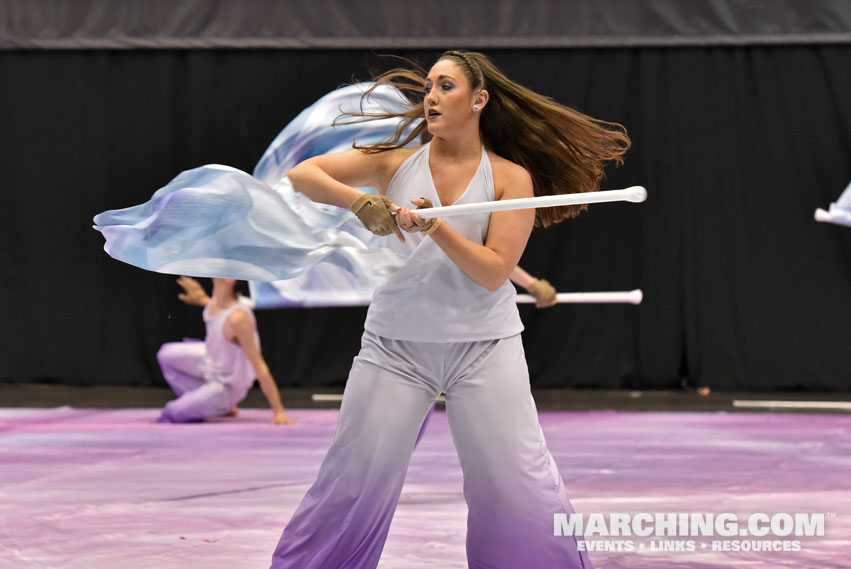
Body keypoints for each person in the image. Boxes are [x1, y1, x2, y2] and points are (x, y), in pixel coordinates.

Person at [268, 50, 629, 569]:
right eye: (429, 88)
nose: (431, 97)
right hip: (395, 346)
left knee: (516, 484)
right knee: (352, 479)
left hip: (485, 347)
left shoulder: (511, 179)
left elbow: (492, 273)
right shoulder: (393, 162)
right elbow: (303, 175)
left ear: (479, 100)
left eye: (445, 87)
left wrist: (436, 227)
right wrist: (359, 201)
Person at [156, 276, 294, 425]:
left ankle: (221, 404)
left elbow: (259, 365)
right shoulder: (217, 301)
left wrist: (278, 411)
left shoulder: (239, 319)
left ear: (230, 279)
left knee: (173, 412)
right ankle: (208, 402)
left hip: (228, 385)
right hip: (211, 361)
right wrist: (201, 298)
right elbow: (217, 311)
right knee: (166, 354)